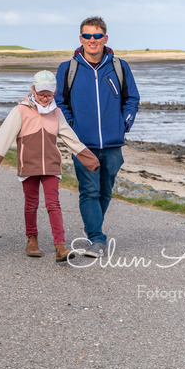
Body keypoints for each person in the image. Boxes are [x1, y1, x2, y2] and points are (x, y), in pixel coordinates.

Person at [0, 71, 99, 263]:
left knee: (54, 204)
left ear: (55, 92)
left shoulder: (56, 113)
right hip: (28, 165)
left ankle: (60, 246)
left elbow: (71, 138)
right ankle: (32, 239)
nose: (45, 98)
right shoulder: (20, 111)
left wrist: (91, 161)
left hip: (51, 166)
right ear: (33, 90)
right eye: (41, 94)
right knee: (31, 204)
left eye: (49, 94)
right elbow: (4, 135)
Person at [55, 16, 140, 259]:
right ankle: (97, 239)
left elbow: (132, 99)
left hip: (113, 143)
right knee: (89, 191)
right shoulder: (67, 69)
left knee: (105, 191)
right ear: (81, 38)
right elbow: (60, 102)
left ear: (105, 38)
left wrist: (123, 124)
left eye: (97, 35)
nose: (92, 40)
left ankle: (93, 228)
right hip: (83, 144)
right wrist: (72, 129)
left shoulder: (119, 67)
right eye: (87, 35)